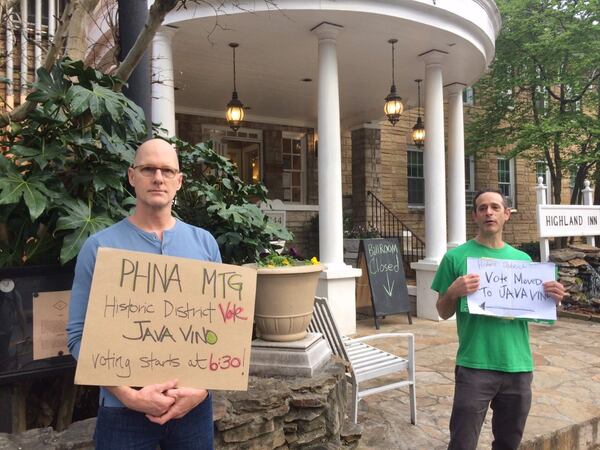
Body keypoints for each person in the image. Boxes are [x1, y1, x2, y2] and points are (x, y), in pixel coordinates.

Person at [67, 138, 220, 449]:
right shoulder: (98, 248)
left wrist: (202, 390)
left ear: (179, 181)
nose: (158, 178)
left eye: (167, 170)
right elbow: (77, 337)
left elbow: (220, 332)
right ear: (131, 176)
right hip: (122, 412)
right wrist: (129, 395)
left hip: (192, 409)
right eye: (148, 168)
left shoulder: (205, 244)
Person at [431, 189, 565, 450]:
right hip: (474, 365)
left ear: (506, 214)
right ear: (475, 216)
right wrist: (453, 292)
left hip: (518, 367)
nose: (488, 212)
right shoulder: (455, 258)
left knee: (508, 443)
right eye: (482, 208)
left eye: (494, 207)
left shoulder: (523, 261)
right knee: (462, 442)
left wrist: (554, 298)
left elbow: (538, 311)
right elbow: (442, 311)